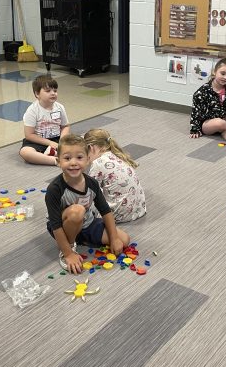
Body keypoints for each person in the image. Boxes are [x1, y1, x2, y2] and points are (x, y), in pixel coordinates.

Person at [45, 134, 130, 274]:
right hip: (63, 226)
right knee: (77, 211)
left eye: (79, 157)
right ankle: (70, 245)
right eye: (67, 158)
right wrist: (68, 253)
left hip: (87, 223)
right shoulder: (54, 189)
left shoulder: (92, 183)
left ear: (88, 159)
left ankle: (82, 239)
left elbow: (105, 211)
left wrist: (114, 238)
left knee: (124, 239)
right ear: (58, 161)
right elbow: (55, 225)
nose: (73, 162)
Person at [84, 128, 146, 223]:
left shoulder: (98, 163)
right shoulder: (118, 155)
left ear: (91, 147)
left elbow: (88, 192)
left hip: (119, 215)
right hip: (139, 209)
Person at [189, 58, 226, 141]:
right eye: (222, 73)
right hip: (209, 124)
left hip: (224, 118)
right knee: (220, 123)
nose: (225, 77)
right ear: (214, 72)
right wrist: (195, 129)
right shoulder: (202, 92)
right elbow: (196, 112)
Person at [19, 74, 70, 165]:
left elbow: (65, 126)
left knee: (80, 143)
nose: (53, 93)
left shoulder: (60, 107)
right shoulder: (32, 110)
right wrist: (50, 143)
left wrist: (62, 141)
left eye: (55, 90)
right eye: (48, 91)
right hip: (38, 141)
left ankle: (55, 154)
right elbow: (29, 135)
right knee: (25, 152)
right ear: (37, 94)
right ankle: (56, 161)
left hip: (58, 139)